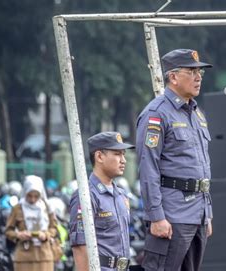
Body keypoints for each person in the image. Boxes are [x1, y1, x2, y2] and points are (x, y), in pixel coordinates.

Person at [136, 48, 214, 271]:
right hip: (172, 214)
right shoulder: (157, 113)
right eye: (192, 71)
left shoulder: (196, 114)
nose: (198, 77)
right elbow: (148, 167)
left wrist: (207, 214)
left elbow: (201, 166)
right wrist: (156, 216)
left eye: (200, 72)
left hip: (197, 213)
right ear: (173, 76)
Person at [69, 131, 134, 271]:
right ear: (99, 156)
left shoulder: (121, 195)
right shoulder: (86, 196)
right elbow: (80, 246)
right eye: (117, 154)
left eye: (123, 154)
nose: (123, 160)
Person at [5, 175, 58, 271]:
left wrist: (45, 235)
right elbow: (8, 231)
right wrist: (18, 235)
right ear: (25, 192)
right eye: (29, 195)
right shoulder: (18, 208)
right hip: (24, 257)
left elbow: (54, 228)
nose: (33, 199)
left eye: (36, 196)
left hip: (44, 256)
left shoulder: (47, 207)